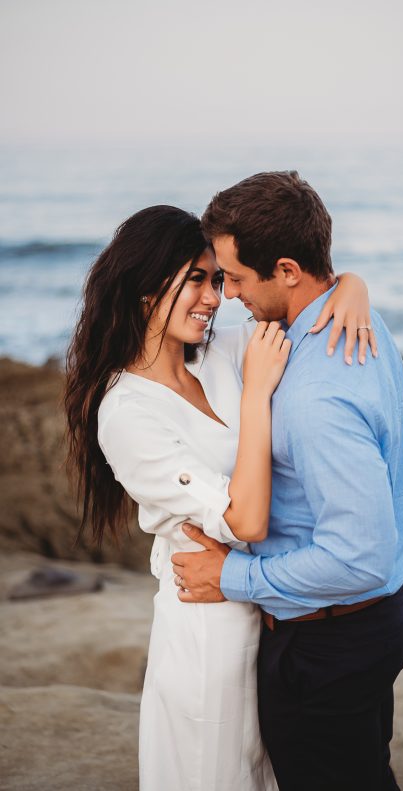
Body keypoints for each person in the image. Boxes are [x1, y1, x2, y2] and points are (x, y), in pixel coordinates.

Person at [63, 203, 374, 790]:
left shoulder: (220, 354)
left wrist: (354, 288)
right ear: (146, 290)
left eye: (216, 278)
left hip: (276, 616)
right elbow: (248, 520)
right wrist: (256, 399)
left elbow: (299, 299)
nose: (214, 297)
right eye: (195, 280)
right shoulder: (127, 412)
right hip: (209, 630)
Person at [171, 171, 403, 791]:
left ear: (286, 270)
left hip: (330, 641)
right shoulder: (353, 316)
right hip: (367, 625)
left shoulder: (316, 397)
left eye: (233, 277)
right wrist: (352, 283)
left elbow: (359, 557)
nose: (226, 295)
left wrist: (233, 577)